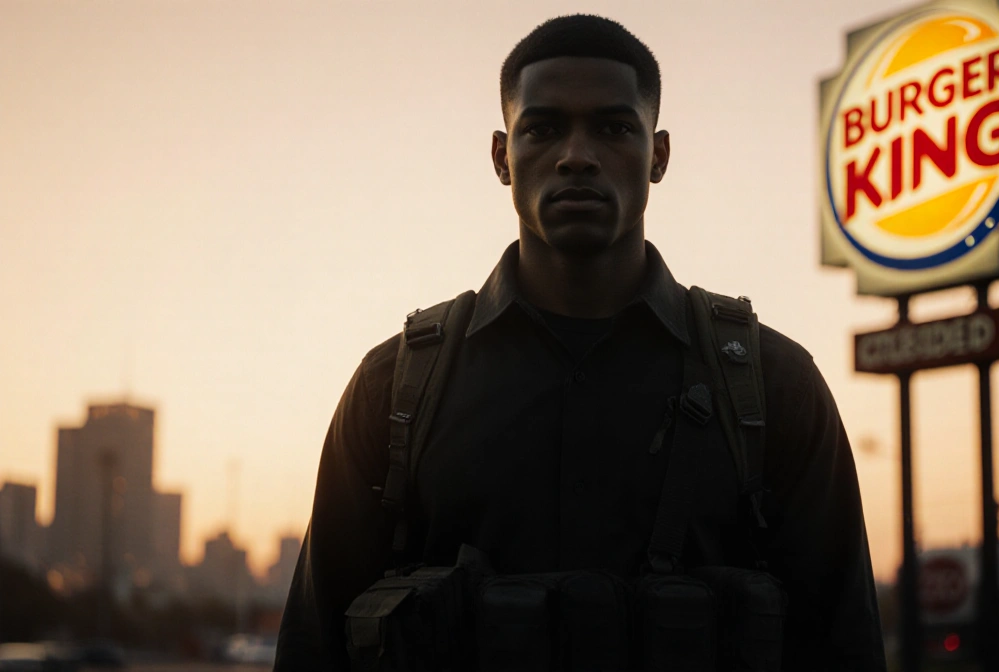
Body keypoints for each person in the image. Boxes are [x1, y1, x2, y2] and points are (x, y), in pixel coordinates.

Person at [274, 14, 885, 672]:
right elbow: (316, 644)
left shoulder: (772, 384)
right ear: (502, 156)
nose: (577, 154)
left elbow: (843, 641)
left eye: (615, 127)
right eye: (543, 128)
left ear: (659, 155)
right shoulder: (395, 388)